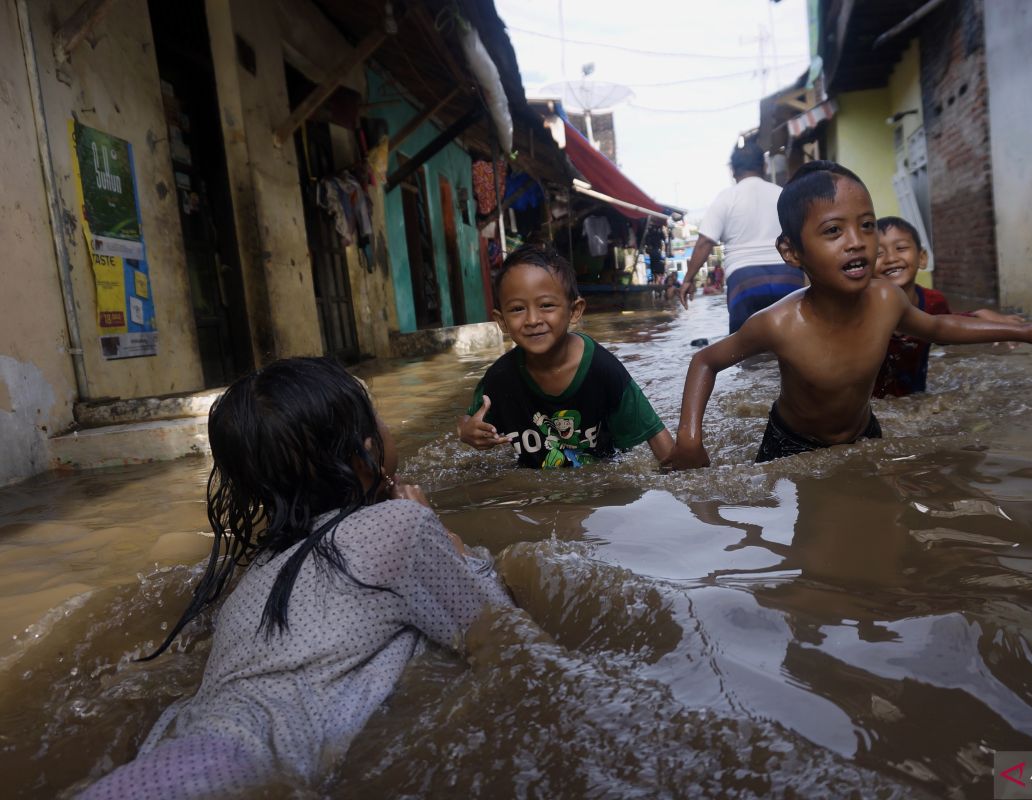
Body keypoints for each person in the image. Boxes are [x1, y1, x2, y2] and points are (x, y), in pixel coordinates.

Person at [81, 358, 511, 799]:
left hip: (177, 752)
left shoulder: (258, 569)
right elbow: (500, 633)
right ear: (365, 454)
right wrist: (452, 546)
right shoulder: (401, 525)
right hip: (248, 764)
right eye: (379, 417)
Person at [665, 161, 1032, 468]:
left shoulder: (885, 300)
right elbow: (706, 360)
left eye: (866, 225)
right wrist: (689, 438)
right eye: (833, 231)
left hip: (865, 433)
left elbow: (938, 328)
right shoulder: (779, 324)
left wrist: (1025, 331)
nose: (857, 242)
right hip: (791, 443)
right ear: (791, 251)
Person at [458, 243, 674, 468]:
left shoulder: (602, 369)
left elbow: (654, 433)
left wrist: (680, 478)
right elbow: (467, 421)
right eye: (517, 309)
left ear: (574, 311)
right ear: (501, 321)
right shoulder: (501, 378)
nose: (533, 320)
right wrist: (467, 431)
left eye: (546, 305)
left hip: (602, 478)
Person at [873, 216, 1024, 398]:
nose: (891, 258)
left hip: (915, 398)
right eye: (878, 254)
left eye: (901, 248)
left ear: (922, 258)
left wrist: (981, 317)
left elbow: (948, 331)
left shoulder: (932, 301)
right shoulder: (865, 308)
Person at [680, 140, 806, 333]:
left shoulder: (726, 198)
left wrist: (688, 280)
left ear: (732, 170)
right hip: (788, 279)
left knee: (746, 354)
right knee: (794, 346)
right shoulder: (782, 195)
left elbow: (705, 242)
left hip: (745, 284)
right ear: (763, 166)